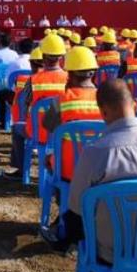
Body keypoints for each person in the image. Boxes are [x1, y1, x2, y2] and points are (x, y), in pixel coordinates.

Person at [42, 79, 137, 271]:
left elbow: (76, 209)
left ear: (103, 112)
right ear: (136, 105)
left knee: (75, 220)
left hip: (106, 250)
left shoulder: (94, 152)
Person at [3, 34, 68, 180]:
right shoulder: (70, 79)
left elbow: (23, 105)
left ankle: (20, 171)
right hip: (63, 133)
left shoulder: (33, 80)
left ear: (44, 57)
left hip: (37, 133)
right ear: (61, 58)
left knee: (16, 129)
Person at [41, 46, 102, 182]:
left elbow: (47, 125)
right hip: (100, 170)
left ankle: (62, 200)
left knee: (48, 158)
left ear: (70, 74)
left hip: (67, 169)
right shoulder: (106, 98)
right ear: (93, 73)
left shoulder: (61, 99)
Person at [0, 38, 34, 130]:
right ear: (32, 49)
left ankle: (3, 123)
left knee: (0, 94)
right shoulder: (37, 62)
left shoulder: (13, 63)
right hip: (33, 95)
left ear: (19, 49)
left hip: (15, 95)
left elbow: (8, 80)